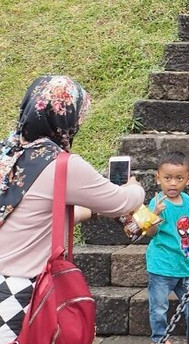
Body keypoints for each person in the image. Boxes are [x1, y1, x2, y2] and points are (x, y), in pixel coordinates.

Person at [0, 75, 145, 344]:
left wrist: (89, 212)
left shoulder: (8, 151)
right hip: (20, 292)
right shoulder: (62, 164)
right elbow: (121, 202)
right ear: (67, 118)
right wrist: (135, 188)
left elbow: (31, 216)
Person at [144, 152, 189, 344]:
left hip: (184, 265)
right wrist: (155, 214)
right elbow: (150, 233)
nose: (173, 184)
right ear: (158, 179)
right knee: (159, 306)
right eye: (167, 178)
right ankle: (160, 338)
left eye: (179, 178)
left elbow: (186, 232)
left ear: (188, 180)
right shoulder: (158, 203)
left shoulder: (188, 201)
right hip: (162, 265)